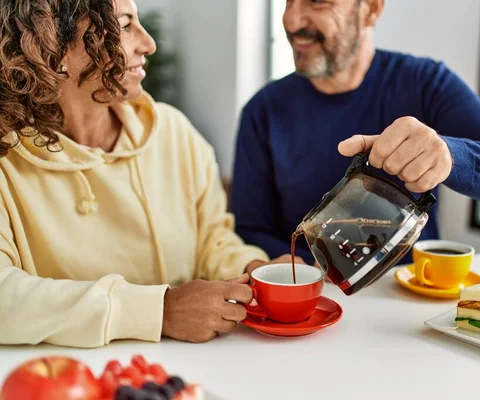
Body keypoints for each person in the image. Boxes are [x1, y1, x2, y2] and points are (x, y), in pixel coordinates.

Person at [0, 0, 294, 348]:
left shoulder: (173, 132)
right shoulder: (8, 161)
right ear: (53, 49)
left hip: (188, 371)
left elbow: (211, 241)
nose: (148, 43)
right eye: (125, 26)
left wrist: (253, 268)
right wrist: (161, 310)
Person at [231, 0, 480, 266]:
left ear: (371, 8)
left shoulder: (424, 83)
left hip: (408, 304)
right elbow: (250, 228)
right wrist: (303, 268)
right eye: (287, 0)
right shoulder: (263, 110)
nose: (291, 19)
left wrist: (448, 156)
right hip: (311, 299)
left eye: (317, 1)